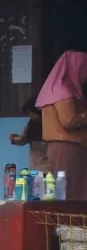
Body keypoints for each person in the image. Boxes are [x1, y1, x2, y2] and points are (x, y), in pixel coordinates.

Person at [37, 50, 87, 185]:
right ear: (76, 67)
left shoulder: (57, 88)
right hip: (68, 149)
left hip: (64, 148)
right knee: (69, 194)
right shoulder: (63, 90)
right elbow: (69, 120)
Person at [9, 96, 50, 172]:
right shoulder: (31, 124)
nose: (30, 116)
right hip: (34, 165)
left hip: (47, 166)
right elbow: (24, 139)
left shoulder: (50, 124)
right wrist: (15, 139)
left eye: (31, 113)